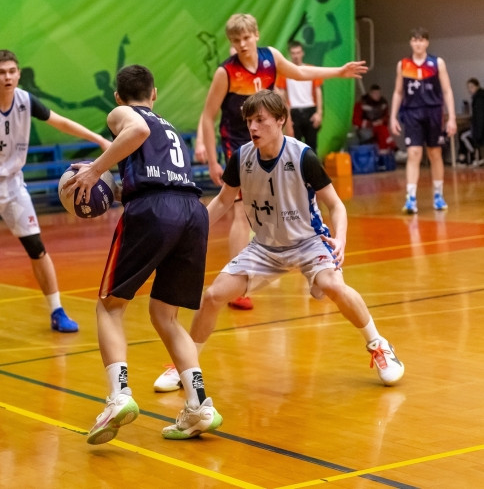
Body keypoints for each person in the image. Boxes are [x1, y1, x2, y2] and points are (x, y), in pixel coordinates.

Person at [155, 90, 405, 393]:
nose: (253, 127)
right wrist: (192, 232)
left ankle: (379, 345)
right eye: (249, 121)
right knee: (212, 296)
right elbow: (223, 201)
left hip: (309, 241)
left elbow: (336, 205)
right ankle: (186, 365)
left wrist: (340, 238)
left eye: (260, 120)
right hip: (265, 248)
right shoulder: (242, 157)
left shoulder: (302, 156)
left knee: (333, 286)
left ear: (280, 120)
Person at [63, 64, 222, 444]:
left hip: (155, 210)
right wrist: (115, 189)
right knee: (165, 315)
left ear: (119, 97)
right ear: (154, 94)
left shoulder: (122, 114)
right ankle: (199, 405)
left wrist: (94, 171)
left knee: (109, 306)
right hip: (193, 212)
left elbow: (136, 130)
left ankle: (119, 397)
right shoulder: (169, 127)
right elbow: (157, 175)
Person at [195, 13, 367, 315]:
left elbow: (299, 72)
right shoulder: (226, 72)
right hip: (240, 144)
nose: (242, 44)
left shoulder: (270, 58)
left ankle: (309, 259)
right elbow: (208, 116)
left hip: (274, 142)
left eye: (246, 38)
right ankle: (240, 280)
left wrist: (338, 72)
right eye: (236, 40)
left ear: (256, 35)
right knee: (240, 210)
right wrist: (210, 158)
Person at [0, 49, 110, 342]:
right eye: (1, 72)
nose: (7, 77)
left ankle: (57, 310)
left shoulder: (25, 100)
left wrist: (98, 138)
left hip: (11, 183)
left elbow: (60, 122)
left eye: (12, 71)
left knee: (36, 246)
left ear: (18, 74)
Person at [389, 27, 456, 214]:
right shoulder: (403, 64)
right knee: (414, 153)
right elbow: (398, 92)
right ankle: (411, 198)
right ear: (411, 42)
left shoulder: (437, 63)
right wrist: (393, 116)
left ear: (427, 42)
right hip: (412, 112)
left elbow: (447, 91)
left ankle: (438, 195)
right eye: (414, 40)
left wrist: (451, 117)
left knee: (435, 153)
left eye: (421, 40)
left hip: (434, 112)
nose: (418, 43)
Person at [276, 41, 323, 152]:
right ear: (289, 54)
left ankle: (312, 164)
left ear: (302, 53)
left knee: (312, 147)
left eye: (298, 52)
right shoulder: (285, 72)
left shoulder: (311, 69)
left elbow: (318, 91)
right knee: (294, 148)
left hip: (310, 110)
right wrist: (286, 117)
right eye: (293, 53)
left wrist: (319, 113)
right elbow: (281, 95)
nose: (296, 56)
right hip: (293, 112)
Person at [352, 84, 396, 151]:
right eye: (375, 93)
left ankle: (386, 150)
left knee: (382, 130)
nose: (377, 95)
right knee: (382, 131)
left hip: (380, 127)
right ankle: (393, 149)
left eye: (378, 93)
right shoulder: (362, 103)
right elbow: (355, 120)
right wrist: (370, 124)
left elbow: (386, 116)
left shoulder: (383, 103)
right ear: (370, 93)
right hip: (365, 129)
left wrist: (381, 121)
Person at [458, 78, 484, 166]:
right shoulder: (478, 97)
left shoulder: (479, 99)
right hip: (478, 127)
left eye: (472, 87)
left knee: (462, 136)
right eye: (468, 87)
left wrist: (478, 132)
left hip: (479, 129)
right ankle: (465, 157)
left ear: (477, 86)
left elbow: (480, 117)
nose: (470, 89)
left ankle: (474, 156)